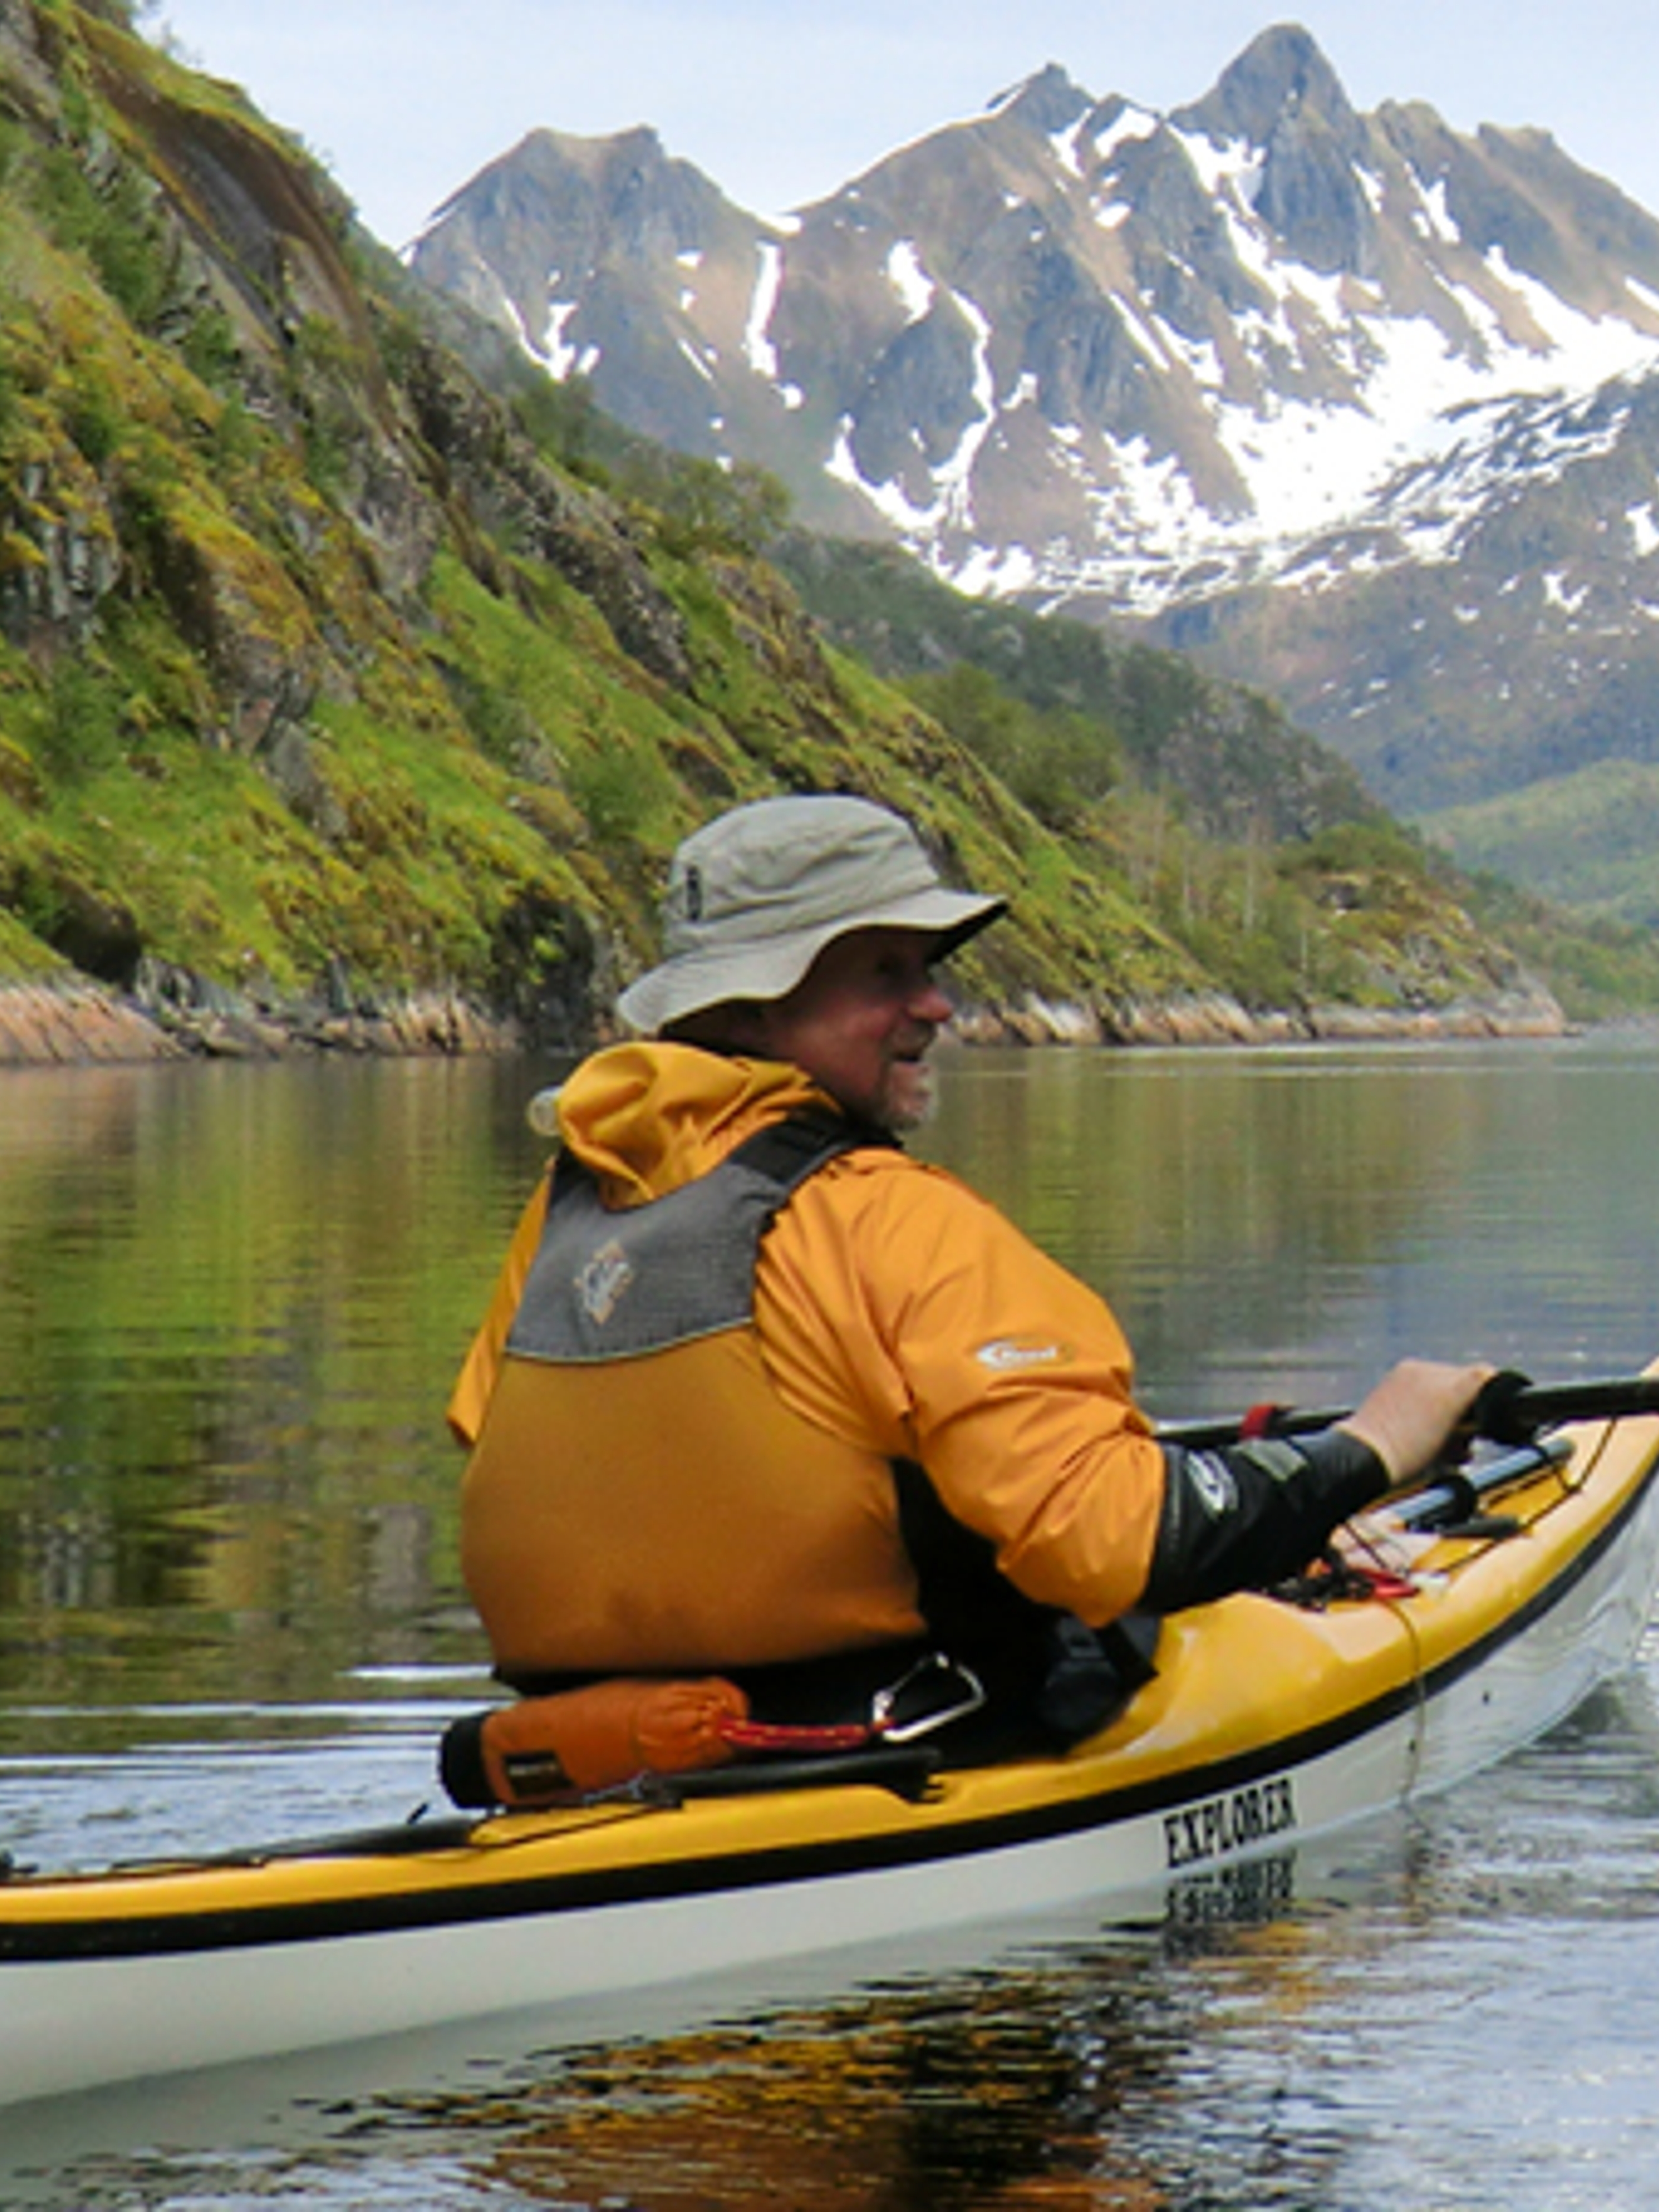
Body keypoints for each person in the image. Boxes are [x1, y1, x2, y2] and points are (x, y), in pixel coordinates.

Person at [448, 793, 1489, 1761]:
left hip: (590, 1760)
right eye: (886, 974)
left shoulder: (572, 1207)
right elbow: (1123, 1545)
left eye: (929, 968)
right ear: (754, 1010)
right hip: (904, 1749)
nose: (937, 1005)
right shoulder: (888, 1214)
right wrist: (1373, 1446)